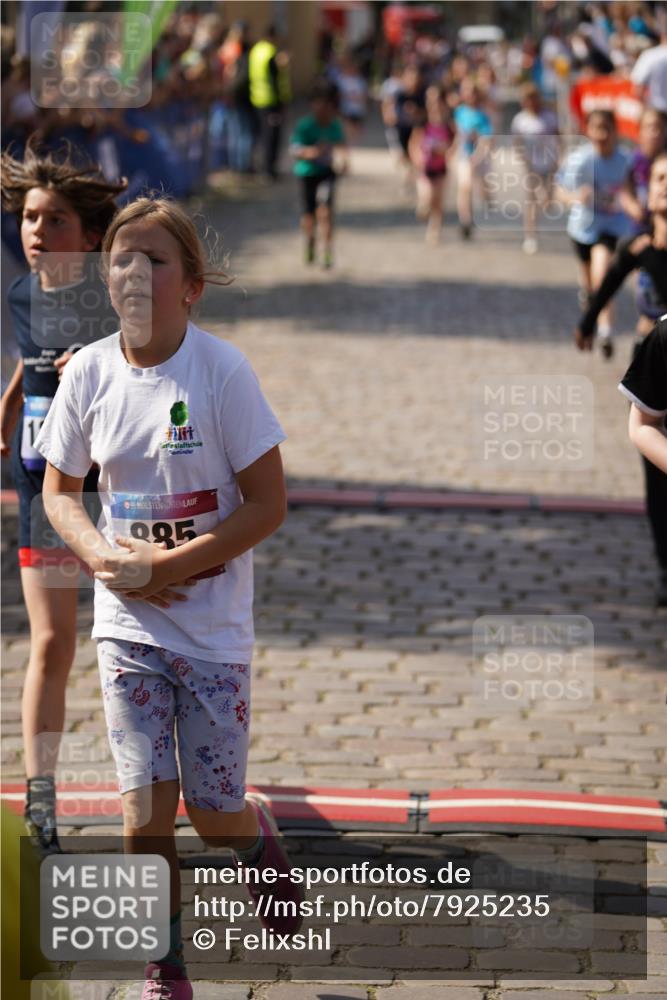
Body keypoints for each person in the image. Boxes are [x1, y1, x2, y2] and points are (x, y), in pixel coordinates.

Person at [34, 197, 304, 1000]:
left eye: (153, 260)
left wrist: (181, 561)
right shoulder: (87, 371)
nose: (133, 274)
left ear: (190, 286)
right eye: (120, 259)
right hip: (127, 630)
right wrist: (105, 559)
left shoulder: (222, 372)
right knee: (143, 816)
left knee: (210, 811)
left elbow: (268, 503)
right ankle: (166, 964)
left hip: (212, 634)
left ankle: (254, 843)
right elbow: (59, 492)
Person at [0, 140, 125, 853]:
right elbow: (33, 352)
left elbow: (158, 354)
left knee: (132, 645)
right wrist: (14, 393)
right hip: (42, 488)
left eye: (52, 221)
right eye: (28, 217)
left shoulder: (115, 294)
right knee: (51, 640)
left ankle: (157, 785)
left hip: (114, 495)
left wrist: (102, 358)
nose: (35, 232)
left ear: (91, 236)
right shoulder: (22, 291)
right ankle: (39, 803)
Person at [577, 152, 667, 606]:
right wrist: (589, 322)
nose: (666, 185)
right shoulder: (638, 246)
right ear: (647, 189)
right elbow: (608, 284)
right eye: (659, 177)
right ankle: (665, 566)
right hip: (654, 360)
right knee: (656, 477)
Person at [556, 109, 632, 359]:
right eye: (596, 128)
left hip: (611, 228)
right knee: (589, 287)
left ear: (615, 130)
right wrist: (576, 197)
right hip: (581, 228)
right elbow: (559, 191)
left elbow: (637, 191)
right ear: (587, 130)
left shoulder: (626, 161)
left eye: (606, 128)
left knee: (602, 278)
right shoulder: (579, 159)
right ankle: (591, 306)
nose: (601, 134)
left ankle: (606, 332)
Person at [290, 81, 348, 269]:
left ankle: (328, 249)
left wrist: (344, 161)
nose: (323, 109)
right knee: (309, 215)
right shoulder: (305, 126)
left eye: (327, 105)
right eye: (319, 103)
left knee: (325, 211)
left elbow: (341, 146)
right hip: (307, 173)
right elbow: (295, 150)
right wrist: (312, 152)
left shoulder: (334, 125)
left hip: (327, 174)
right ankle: (310, 241)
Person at [511, 82, 560, 254]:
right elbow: (517, 143)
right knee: (531, 201)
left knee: (547, 201)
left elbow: (558, 137)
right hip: (531, 165)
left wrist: (559, 159)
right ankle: (530, 235)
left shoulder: (549, 117)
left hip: (549, 163)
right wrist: (524, 159)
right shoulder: (520, 120)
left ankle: (538, 223)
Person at [408, 86, 455, 244]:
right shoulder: (422, 121)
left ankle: (434, 230)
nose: (432, 104)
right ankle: (423, 208)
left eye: (436, 100)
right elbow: (413, 143)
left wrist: (447, 152)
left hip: (441, 167)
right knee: (427, 197)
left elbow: (454, 143)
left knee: (438, 201)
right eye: (429, 100)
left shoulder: (448, 124)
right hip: (425, 168)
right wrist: (417, 158)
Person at [248, 24, 290, 180]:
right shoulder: (271, 53)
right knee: (272, 137)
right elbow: (276, 80)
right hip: (271, 101)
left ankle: (264, 168)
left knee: (263, 136)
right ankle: (269, 170)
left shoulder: (257, 50)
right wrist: (282, 102)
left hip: (258, 98)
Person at [453, 78, 493, 240]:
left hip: (479, 157)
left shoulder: (482, 115)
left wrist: (478, 156)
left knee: (481, 187)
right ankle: (465, 220)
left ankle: (487, 202)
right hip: (463, 156)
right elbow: (456, 135)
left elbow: (486, 139)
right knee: (464, 187)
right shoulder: (459, 112)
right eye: (466, 90)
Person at [620, 106, 667, 232]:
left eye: (659, 127)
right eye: (649, 127)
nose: (654, 132)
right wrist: (631, 205)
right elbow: (624, 189)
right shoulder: (631, 160)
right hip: (638, 227)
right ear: (639, 131)